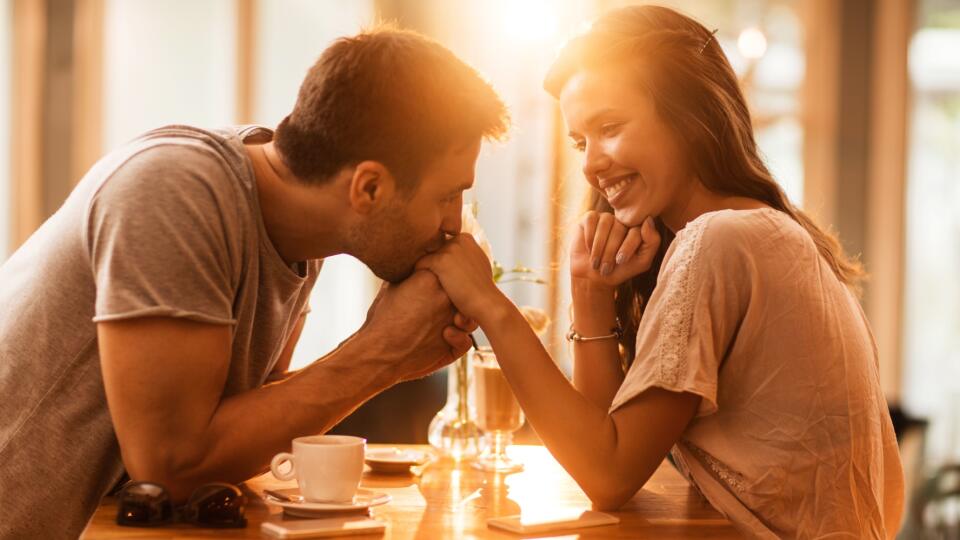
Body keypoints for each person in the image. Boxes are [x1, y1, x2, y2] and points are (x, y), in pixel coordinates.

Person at [0, 27, 507, 538]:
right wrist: (379, 354)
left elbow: (230, 428)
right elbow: (171, 464)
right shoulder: (177, 193)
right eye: (448, 195)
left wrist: (389, 355)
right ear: (369, 187)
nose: (453, 223)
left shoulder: (298, 236)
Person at [418, 5, 904, 538]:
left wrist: (490, 305)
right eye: (581, 142)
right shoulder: (755, 228)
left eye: (610, 127)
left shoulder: (720, 240)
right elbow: (598, 451)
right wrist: (590, 291)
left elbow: (608, 475)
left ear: (689, 114)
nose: (590, 163)